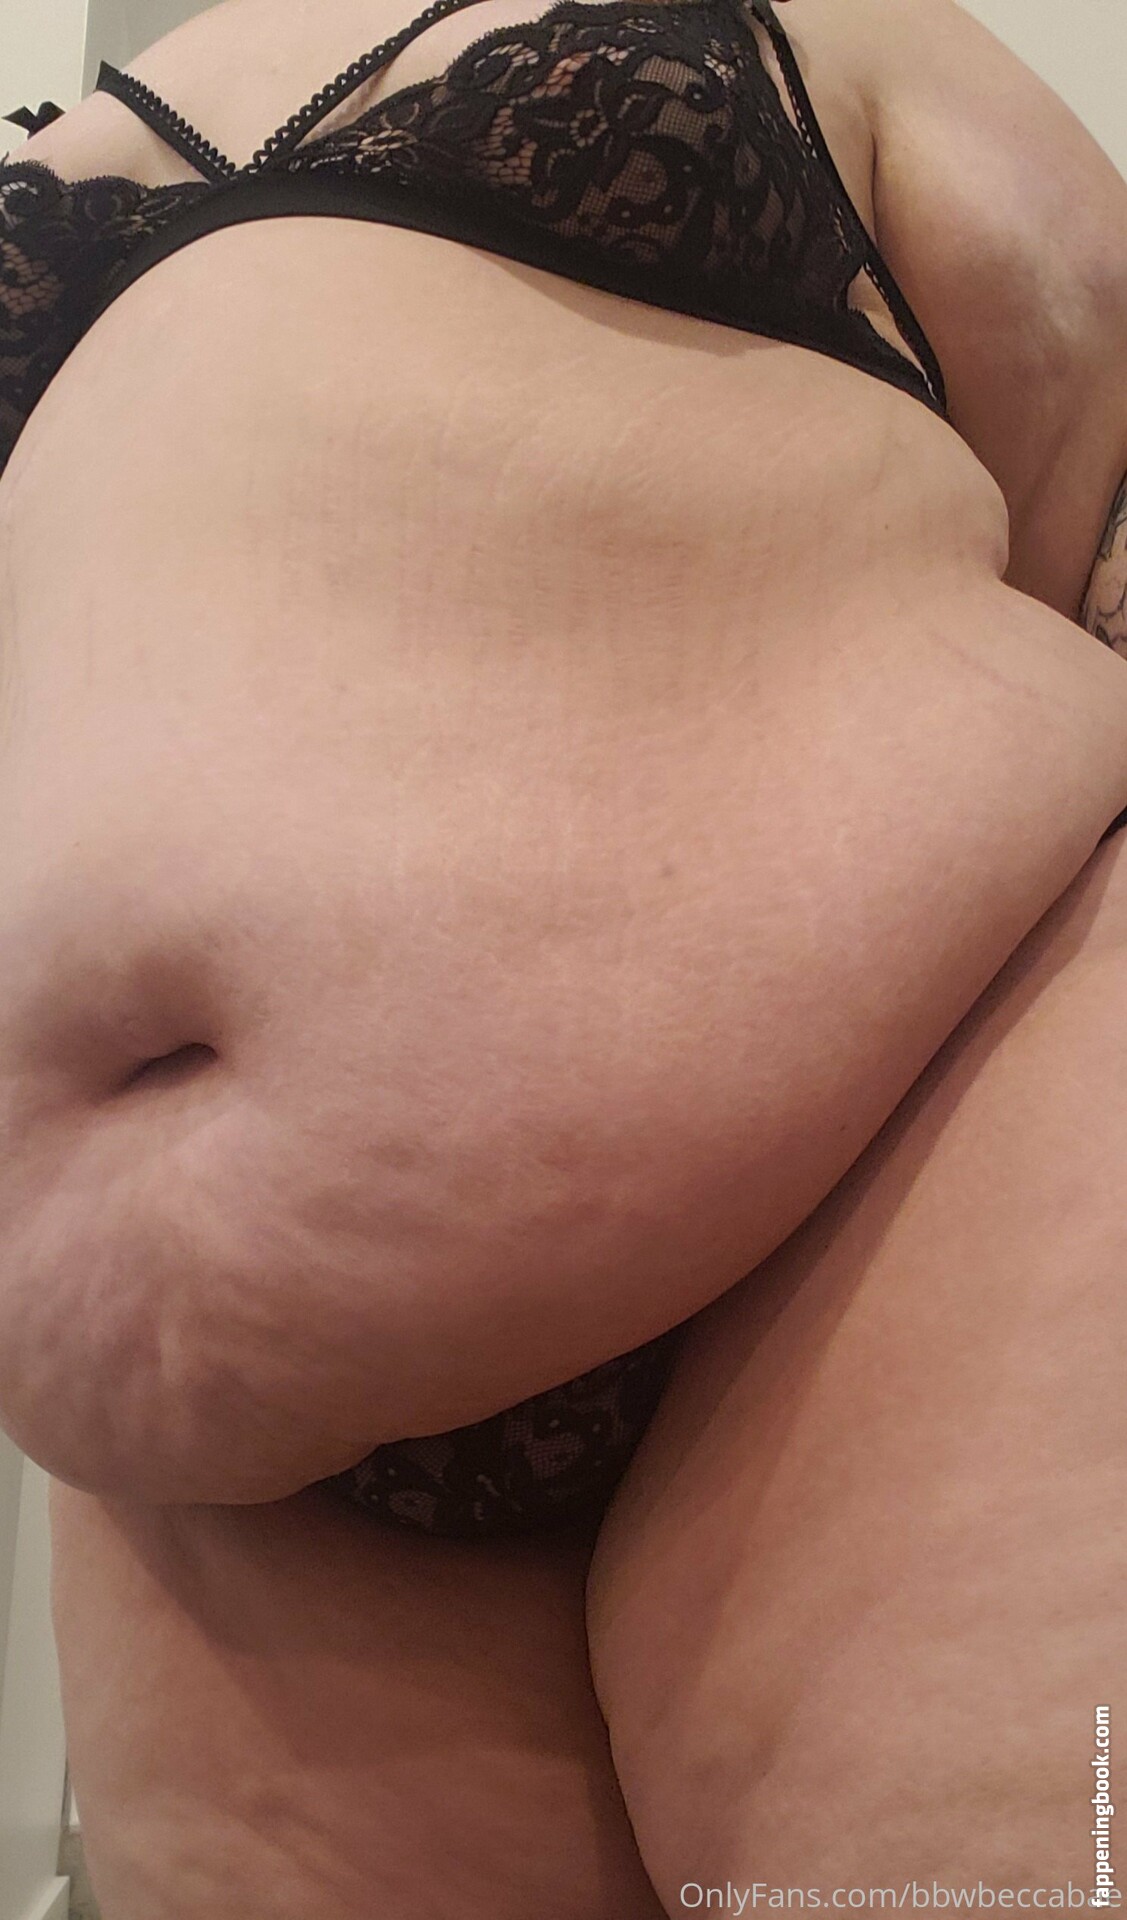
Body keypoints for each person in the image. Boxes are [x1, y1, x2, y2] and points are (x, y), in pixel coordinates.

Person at [1, 0, 1124, 1908]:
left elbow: (1089, 491)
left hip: (885, 1150)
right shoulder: (97, 106)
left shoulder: (848, 25)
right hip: (212, 1445)